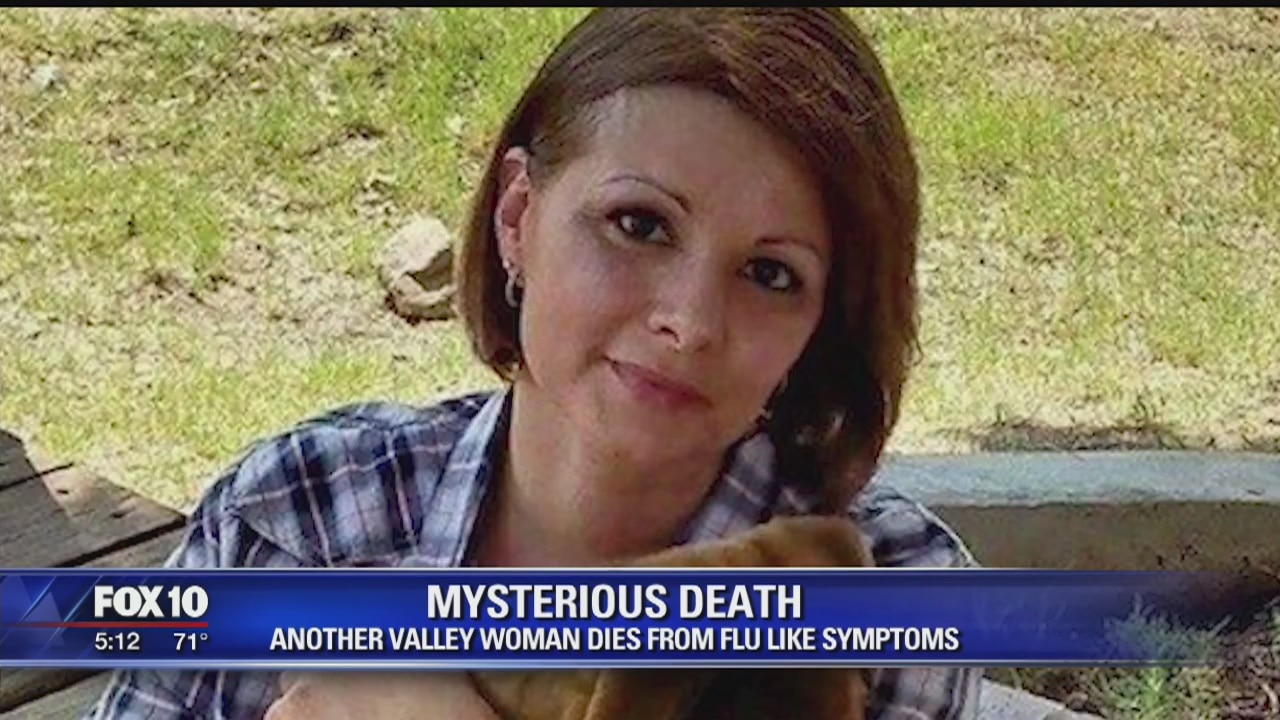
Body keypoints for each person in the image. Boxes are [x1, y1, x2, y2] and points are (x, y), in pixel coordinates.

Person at [87, 7, 980, 719]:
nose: (690, 322)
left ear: (820, 326)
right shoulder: (300, 517)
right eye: (639, 224)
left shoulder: (890, 597)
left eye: (771, 274)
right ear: (518, 217)